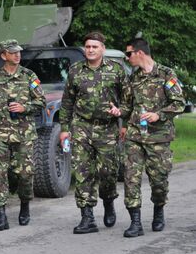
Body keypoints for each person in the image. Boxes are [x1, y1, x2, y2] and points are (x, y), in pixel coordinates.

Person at [59, 31, 127, 234]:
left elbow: (128, 99)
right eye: (87, 47)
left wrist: (121, 115)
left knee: (108, 172)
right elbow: (67, 102)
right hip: (81, 127)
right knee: (82, 172)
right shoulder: (75, 71)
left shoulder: (116, 70)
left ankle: (108, 201)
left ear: (102, 49)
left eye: (94, 47)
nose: (90, 50)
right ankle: (87, 217)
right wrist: (64, 129)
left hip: (107, 128)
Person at [117, 38, 185, 237]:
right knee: (131, 179)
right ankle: (135, 223)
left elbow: (179, 102)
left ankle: (158, 210)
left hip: (159, 137)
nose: (127, 57)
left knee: (159, 181)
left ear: (140, 53)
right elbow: (127, 106)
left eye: (129, 54)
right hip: (135, 136)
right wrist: (117, 112)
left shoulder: (166, 74)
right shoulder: (133, 78)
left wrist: (159, 115)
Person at [0, 39, 45, 231]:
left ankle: (25, 205)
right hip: (0, 134)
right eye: (13, 52)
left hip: (24, 134)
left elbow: (41, 102)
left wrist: (24, 107)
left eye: (19, 52)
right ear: (4, 55)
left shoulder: (29, 76)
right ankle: (1, 216)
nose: (18, 55)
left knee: (26, 174)